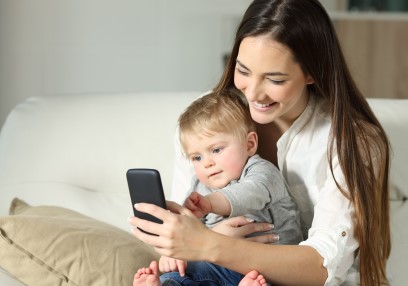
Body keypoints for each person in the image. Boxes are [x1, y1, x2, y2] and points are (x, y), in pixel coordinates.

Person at [129, 0, 391, 285]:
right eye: (243, 71)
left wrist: (214, 246)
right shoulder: (205, 123)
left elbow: (322, 267)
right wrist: (181, 239)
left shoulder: (353, 142)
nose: (253, 93)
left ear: (312, 73)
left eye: (274, 80)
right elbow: (188, 233)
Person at [133, 90, 302, 286]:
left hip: (268, 266)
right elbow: (189, 230)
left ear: (249, 144)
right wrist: (174, 253)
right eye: (197, 157)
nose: (207, 163)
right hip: (216, 268)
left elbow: (250, 193)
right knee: (178, 274)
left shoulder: (262, 172)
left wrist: (210, 203)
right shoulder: (199, 185)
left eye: (216, 150)